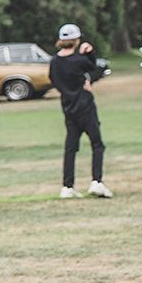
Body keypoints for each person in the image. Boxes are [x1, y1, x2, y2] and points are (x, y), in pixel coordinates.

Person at [49, 23, 111, 199]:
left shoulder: (55, 62)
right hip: (85, 106)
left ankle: (67, 185)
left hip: (68, 108)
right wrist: (90, 52)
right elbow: (95, 67)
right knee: (97, 144)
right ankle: (96, 181)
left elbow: (54, 80)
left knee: (71, 148)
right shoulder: (79, 60)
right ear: (76, 40)